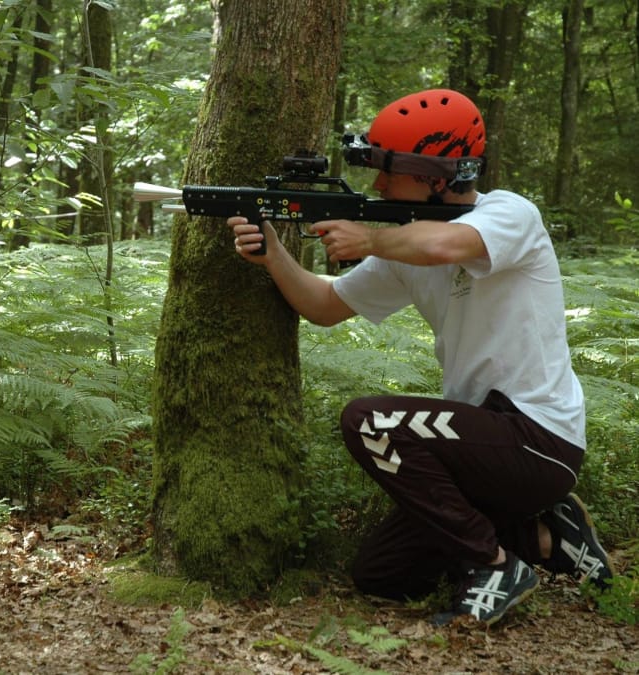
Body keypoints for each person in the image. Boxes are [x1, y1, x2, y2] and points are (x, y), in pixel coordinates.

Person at [228, 88, 613, 625]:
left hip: (539, 439)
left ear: (438, 177)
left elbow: (447, 246)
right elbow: (324, 304)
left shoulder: (510, 213)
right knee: (381, 573)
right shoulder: (403, 247)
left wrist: (369, 237)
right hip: (476, 446)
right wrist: (273, 253)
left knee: (370, 422)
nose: (379, 184)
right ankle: (547, 537)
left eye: (391, 170)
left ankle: (496, 565)